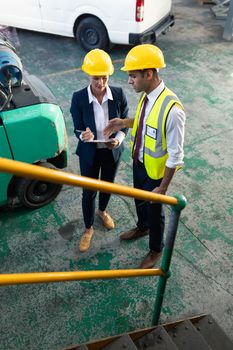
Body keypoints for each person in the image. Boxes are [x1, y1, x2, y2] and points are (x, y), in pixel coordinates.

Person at [104, 44, 186, 268]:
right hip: (139, 162)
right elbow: (143, 122)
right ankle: (143, 226)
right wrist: (124, 122)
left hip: (156, 173)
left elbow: (176, 155)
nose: (130, 81)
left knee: (154, 208)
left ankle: (156, 249)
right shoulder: (147, 96)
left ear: (149, 74)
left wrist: (163, 188)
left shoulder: (173, 110)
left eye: (133, 76)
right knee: (139, 199)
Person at [70, 49, 128, 252]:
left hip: (111, 151)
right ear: (88, 75)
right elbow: (77, 127)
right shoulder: (78, 98)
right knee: (88, 192)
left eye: (104, 77)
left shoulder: (119, 94)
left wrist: (119, 140)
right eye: (96, 78)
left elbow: (125, 123)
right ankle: (88, 228)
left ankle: (102, 211)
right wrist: (82, 135)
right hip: (90, 153)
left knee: (108, 185)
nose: (101, 83)